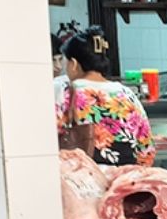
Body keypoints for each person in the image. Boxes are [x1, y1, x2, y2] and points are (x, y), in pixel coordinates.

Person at [54, 27, 154, 167]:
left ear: (74, 64)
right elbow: (146, 151)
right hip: (124, 182)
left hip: (82, 182)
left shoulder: (62, 91)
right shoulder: (127, 94)